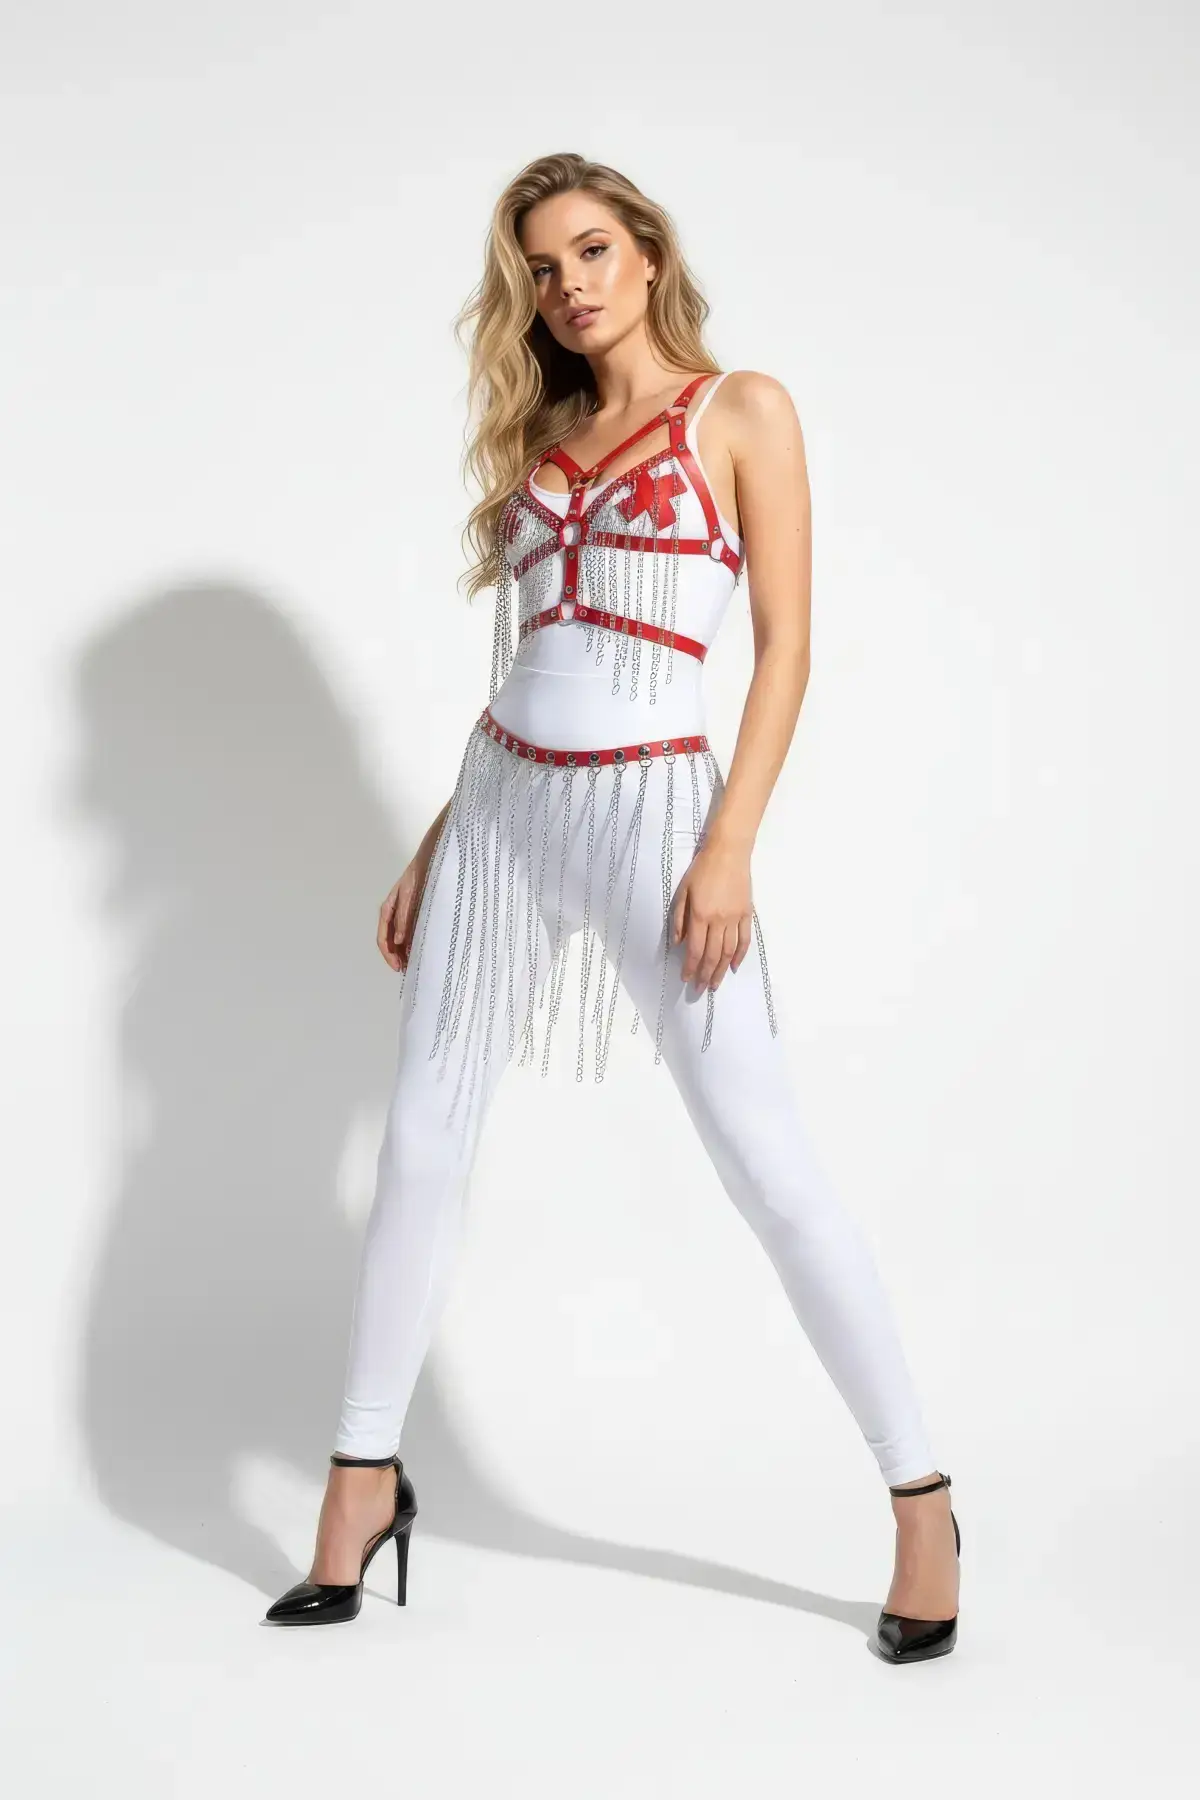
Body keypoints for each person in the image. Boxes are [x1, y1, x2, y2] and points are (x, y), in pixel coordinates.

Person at [264, 152, 962, 1664]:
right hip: (500, 815)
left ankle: (921, 1498)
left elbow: (785, 647)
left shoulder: (740, 411)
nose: (568, 286)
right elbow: (529, 669)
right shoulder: (546, 439)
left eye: (590, 250)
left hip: (659, 821)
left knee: (768, 1166)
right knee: (422, 1147)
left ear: (646, 250)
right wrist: (438, 839)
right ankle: (360, 1478)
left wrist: (732, 845)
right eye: (541, 268)